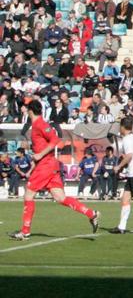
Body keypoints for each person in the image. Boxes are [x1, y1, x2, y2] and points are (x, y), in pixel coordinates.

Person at [8, 99, 101, 240]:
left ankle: (25, 231)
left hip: (45, 165)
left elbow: (55, 140)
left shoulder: (40, 124)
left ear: (30, 111)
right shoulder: (37, 125)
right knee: (60, 197)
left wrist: (40, 154)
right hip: (50, 165)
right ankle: (91, 214)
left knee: (28, 195)